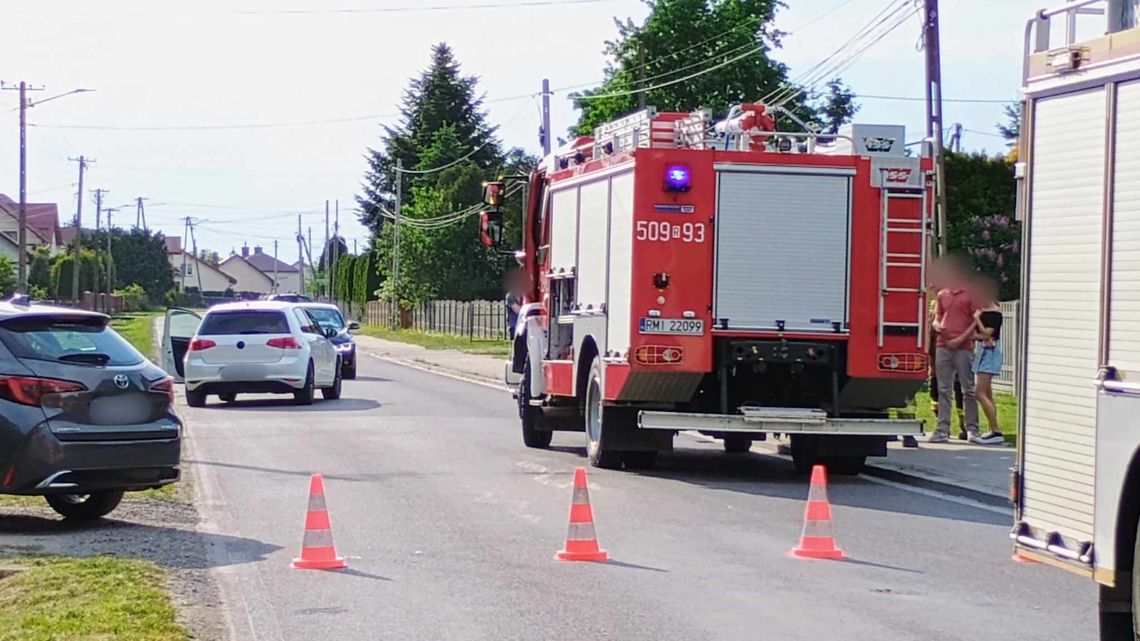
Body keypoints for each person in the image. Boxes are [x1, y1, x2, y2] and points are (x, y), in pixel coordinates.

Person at [928, 255, 982, 443]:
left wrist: (960, 339)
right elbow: (937, 317)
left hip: (963, 348)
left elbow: (976, 320)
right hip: (943, 345)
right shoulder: (942, 295)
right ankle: (942, 429)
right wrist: (936, 326)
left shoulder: (970, 294)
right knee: (944, 389)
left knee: (968, 389)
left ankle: (972, 429)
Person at [969, 275, 1005, 445]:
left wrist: (977, 319)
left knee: (979, 393)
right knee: (987, 393)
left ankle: (996, 430)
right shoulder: (985, 312)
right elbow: (977, 335)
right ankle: (993, 429)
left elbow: (985, 334)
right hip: (983, 349)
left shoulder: (994, 313)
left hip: (990, 353)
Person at [504, 271, 524, 340]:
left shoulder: (524, 296)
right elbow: (517, 310)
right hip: (514, 324)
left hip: (523, 324)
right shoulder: (510, 296)